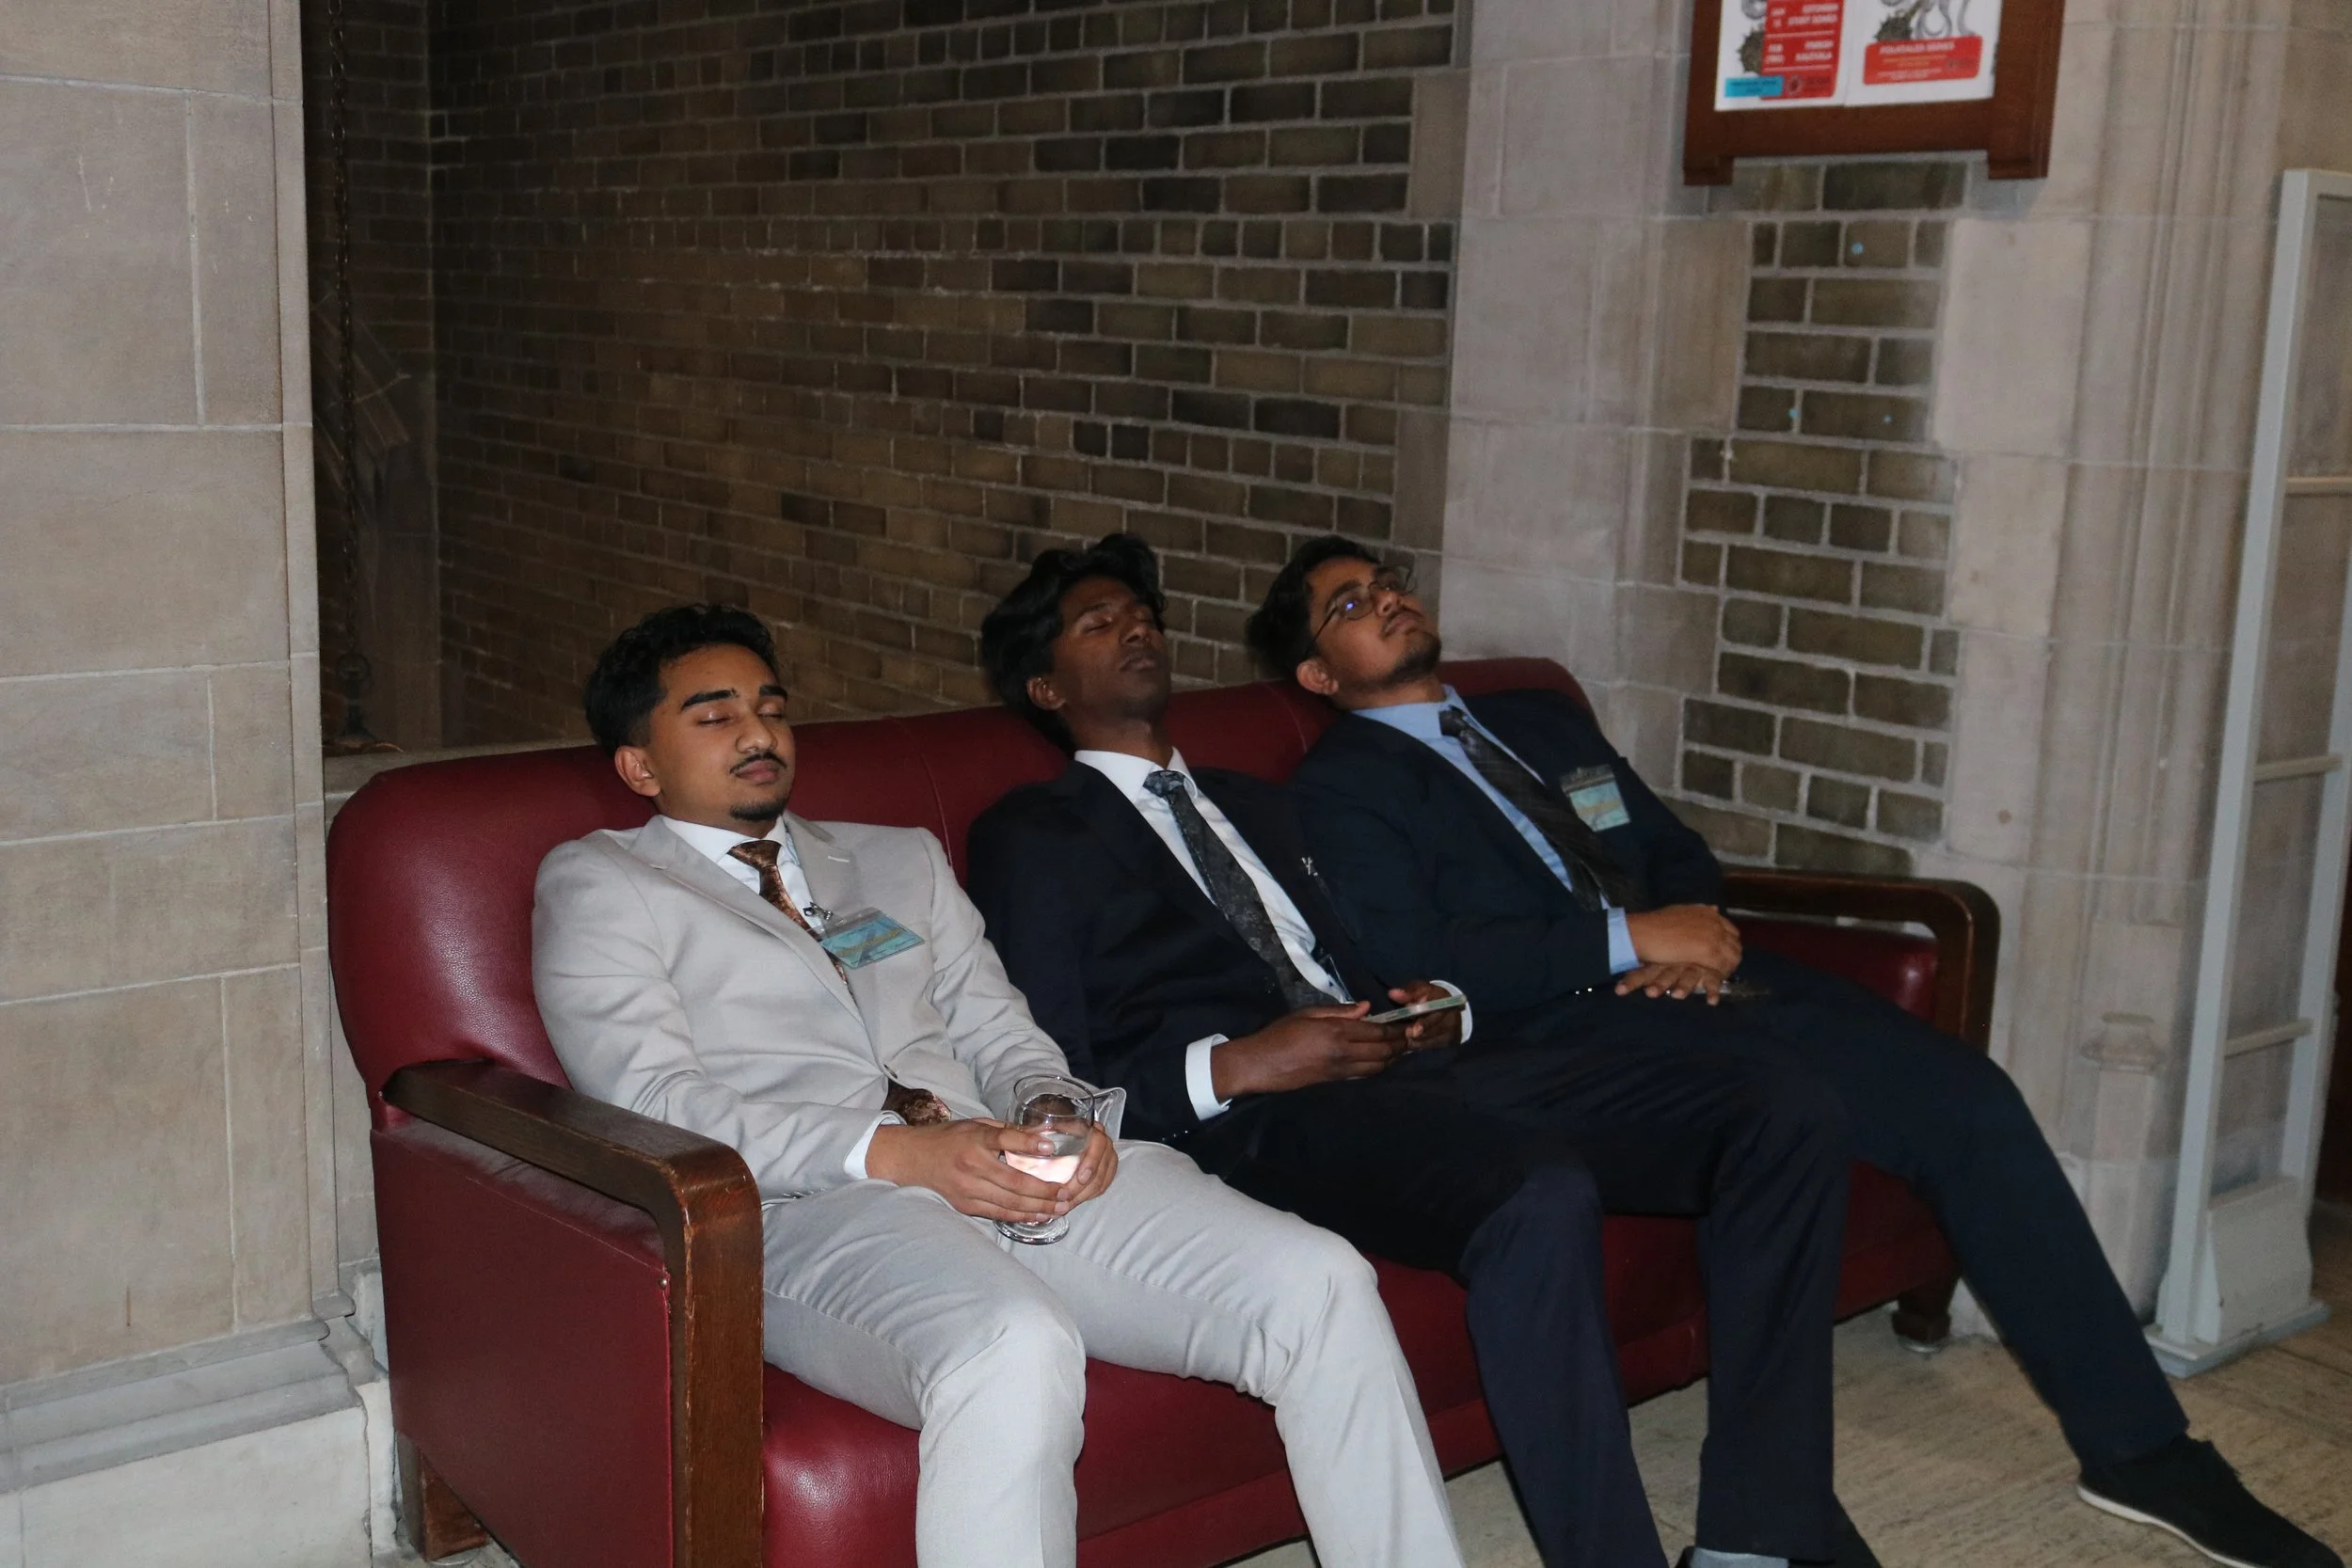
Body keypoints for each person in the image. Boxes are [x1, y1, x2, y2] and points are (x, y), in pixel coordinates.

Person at [1248, 534, 2344, 1568]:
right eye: (1350, 604)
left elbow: (1671, 846)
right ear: (1316, 675)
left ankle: (2142, 1449)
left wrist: (1694, 931)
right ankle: (1768, 1525)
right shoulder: (1342, 787)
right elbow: (1425, 959)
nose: (1387, 598)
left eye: (1387, 579)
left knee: (1966, 1097)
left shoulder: (1534, 717)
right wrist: (1633, 939)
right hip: (1566, 1022)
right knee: (1778, 1106)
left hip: (1707, 978)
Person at [965, 535, 1867, 1568]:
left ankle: (1757, 1538)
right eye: (1098, 624)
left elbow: (1390, 952)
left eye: (1142, 616)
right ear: (1045, 686)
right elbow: (1047, 1057)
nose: (1135, 631)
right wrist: (1241, 1063)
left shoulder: (1260, 800)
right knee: (1536, 1192)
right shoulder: (1032, 834)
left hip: (1413, 1060)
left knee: (1779, 1112)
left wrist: (1446, 1006)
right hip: (1262, 1115)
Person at [531, 603, 1467, 1568]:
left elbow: (1001, 1031)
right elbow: (652, 1101)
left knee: (1320, 1281)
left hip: (1007, 1159)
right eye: (715, 714)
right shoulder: (603, 883)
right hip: (808, 1208)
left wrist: (1052, 1109)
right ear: (639, 765)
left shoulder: (897, 857)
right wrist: (898, 1153)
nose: (759, 731)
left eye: (770, 706)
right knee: (1014, 1342)